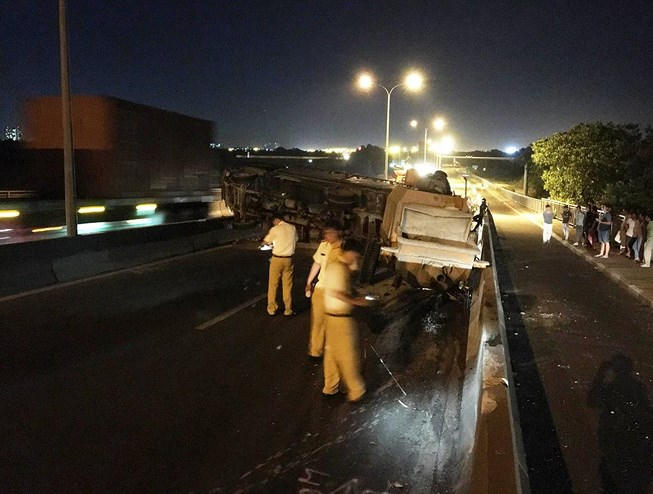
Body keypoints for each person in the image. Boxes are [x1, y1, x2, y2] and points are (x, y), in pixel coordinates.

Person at [322, 239, 370, 402]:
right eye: (355, 256)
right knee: (347, 354)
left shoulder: (338, 266)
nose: (356, 259)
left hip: (331, 316)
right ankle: (357, 391)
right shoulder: (338, 268)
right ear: (350, 252)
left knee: (332, 354)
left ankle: (330, 387)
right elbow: (337, 293)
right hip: (341, 319)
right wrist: (357, 301)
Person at [304, 222, 343, 358]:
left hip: (335, 292)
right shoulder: (323, 246)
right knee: (318, 321)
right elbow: (317, 263)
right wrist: (309, 282)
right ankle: (315, 350)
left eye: (331, 233)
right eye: (326, 233)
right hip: (321, 289)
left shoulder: (344, 249)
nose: (328, 236)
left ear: (338, 233)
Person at [263, 213, 298, 316]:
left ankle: (272, 308)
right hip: (289, 259)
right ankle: (288, 309)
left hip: (277, 259)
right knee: (287, 285)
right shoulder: (293, 228)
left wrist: (269, 245)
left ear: (276, 220)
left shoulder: (275, 229)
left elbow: (265, 242)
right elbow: (296, 239)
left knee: (273, 284)